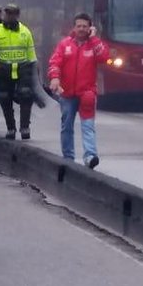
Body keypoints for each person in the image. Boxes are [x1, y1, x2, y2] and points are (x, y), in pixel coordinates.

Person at [48, 13, 109, 169]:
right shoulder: (64, 45)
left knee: (88, 126)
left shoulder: (94, 45)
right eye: (79, 26)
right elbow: (55, 62)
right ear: (74, 28)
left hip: (87, 94)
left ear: (90, 28)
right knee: (66, 125)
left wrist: (94, 39)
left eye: (85, 26)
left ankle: (90, 156)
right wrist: (55, 77)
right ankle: (68, 157)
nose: (81, 29)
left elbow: (103, 57)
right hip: (67, 94)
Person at [0, 4, 37, 140]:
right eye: (7, 13)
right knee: (4, 97)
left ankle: (25, 127)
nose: (9, 16)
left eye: (12, 14)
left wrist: (34, 71)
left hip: (22, 68)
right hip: (4, 69)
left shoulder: (25, 32)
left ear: (17, 16)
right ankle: (11, 128)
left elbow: (31, 54)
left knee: (26, 94)